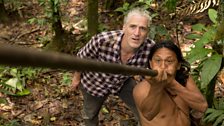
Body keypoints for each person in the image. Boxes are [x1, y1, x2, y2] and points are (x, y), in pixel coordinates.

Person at [71, 8, 155, 126]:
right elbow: (81, 58)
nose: (137, 33)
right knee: (89, 115)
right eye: (132, 27)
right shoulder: (102, 40)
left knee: (143, 110)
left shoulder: (151, 49)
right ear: (124, 27)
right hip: (94, 82)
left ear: (147, 32)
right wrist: (76, 77)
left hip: (122, 81)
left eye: (142, 28)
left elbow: (153, 71)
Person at [133, 40, 208, 126]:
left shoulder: (184, 79)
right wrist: (157, 86)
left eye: (169, 61)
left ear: (178, 65)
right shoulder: (141, 89)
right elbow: (148, 114)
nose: (163, 66)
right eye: (158, 60)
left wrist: (172, 83)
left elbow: (202, 106)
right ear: (150, 63)